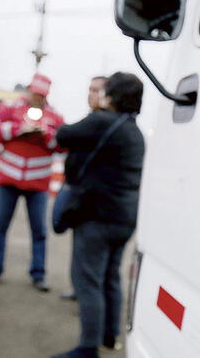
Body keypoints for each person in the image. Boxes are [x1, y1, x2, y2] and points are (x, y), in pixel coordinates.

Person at [52, 72, 145, 358]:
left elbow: (62, 135)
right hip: (124, 219)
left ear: (112, 95)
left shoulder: (102, 120)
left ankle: (87, 348)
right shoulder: (134, 131)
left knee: (88, 281)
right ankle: (109, 336)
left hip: (97, 217)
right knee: (110, 278)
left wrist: (100, 108)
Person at [0, 73, 64, 292]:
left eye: (41, 95)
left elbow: (63, 144)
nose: (37, 98)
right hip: (8, 179)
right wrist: (18, 129)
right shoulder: (10, 109)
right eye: (35, 94)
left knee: (39, 231)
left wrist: (44, 133)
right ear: (28, 91)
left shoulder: (55, 117)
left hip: (38, 184)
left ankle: (38, 274)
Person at [58, 75, 108, 301]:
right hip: (80, 195)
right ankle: (79, 290)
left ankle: (89, 299)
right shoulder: (91, 120)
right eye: (90, 89)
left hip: (93, 201)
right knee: (79, 249)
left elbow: (64, 134)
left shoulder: (103, 122)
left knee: (92, 256)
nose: (92, 94)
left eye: (97, 90)